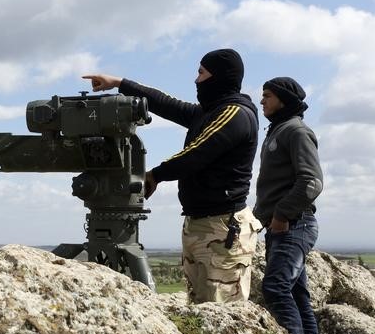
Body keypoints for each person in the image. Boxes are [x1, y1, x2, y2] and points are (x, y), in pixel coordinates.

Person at [83, 49, 262, 303]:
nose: (196, 80)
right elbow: (166, 104)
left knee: (223, 310)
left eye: (201, 73)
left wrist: (155, 175)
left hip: (222, 228)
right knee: (200, 307)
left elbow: (197, 153)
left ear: (220, 77)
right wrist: (120, 84)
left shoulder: (235, 114)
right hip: (202, 224)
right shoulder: (209, 112)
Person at [253, 77, 323, 334]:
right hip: (283, 226)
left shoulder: (296, 131)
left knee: (275, 288)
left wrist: (281, 215)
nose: (262, 100)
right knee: (296, 293)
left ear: (283, 100)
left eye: (267, 95)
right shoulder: (278, 131)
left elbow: (311, 181)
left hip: (295, 224)